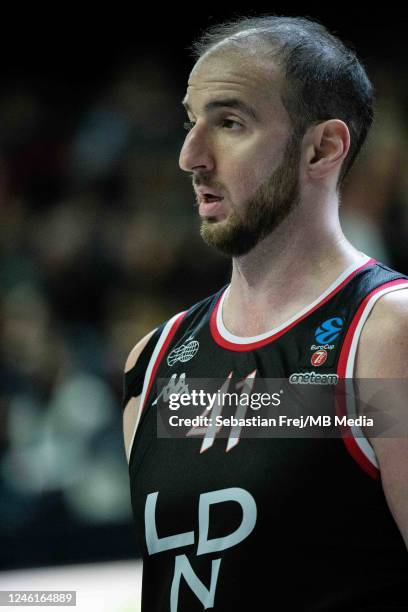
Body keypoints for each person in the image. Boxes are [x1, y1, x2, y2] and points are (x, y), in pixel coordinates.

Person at [122, 15, 408, 610]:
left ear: (322, 147)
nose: (190, 156)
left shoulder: (388, 334)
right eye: (189, 121)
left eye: (229, 123)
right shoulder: (154, 363)